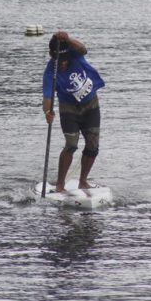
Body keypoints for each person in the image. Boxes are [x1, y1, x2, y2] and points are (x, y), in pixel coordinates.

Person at [42, 31, 105, 193]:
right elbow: (47, 97)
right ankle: (60, 184)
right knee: (71, 145)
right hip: (68, 108)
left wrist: (68, 39)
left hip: (91, 105)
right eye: (59, 61)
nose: (63, 64)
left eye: (65, 60)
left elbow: (83, 49)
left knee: (93, 146)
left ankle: (83, 182)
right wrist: (48, 112)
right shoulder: (50, 72)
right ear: (51, 55)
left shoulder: (76, 54)